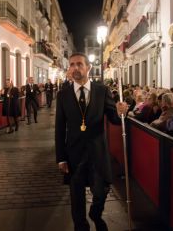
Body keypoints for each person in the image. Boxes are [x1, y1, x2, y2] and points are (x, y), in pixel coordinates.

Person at [55, 52, 128, 231]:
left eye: (79, 64)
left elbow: (114, 120)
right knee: (76, 197)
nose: (75, 68)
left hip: (97, 151)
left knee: (101, 190)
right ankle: (81, 226)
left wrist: (121, 112)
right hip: (74, 153)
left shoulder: (102, 91)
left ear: (88, 67)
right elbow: (59, 128)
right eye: (72, 65)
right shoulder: (63, 95)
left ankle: (96, 212)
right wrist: (61, 158)